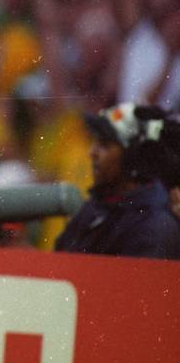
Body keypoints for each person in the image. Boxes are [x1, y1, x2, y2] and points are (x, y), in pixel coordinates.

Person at [55, 103, 180, 260]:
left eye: (104, 145)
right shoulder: (98, 205)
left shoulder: (154, 225)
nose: (92, 152)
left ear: (132, 157)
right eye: (94, 142)